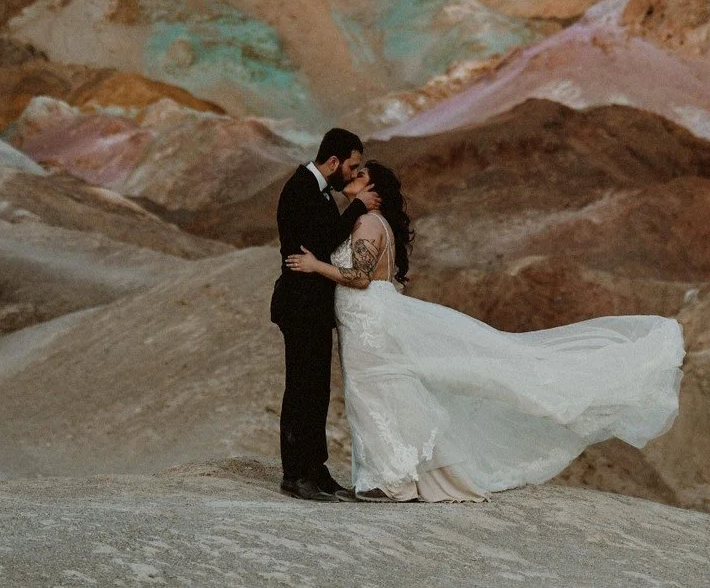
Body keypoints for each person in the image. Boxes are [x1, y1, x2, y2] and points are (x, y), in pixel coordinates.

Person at [287, 160, 684, 503]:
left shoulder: (369, 222)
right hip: (365, 319)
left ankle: (391, 480)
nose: (351, 179)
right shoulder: (368, 221)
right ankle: (391, 476)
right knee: (379, 392)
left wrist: (315, 266)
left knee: (375, 392)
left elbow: (358, 276)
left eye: (359, 177)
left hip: (368, 321)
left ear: (373, 189)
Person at [271, 126, 379, 501]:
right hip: (299, 306)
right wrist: (359, 207)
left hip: (313, 307)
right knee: (302, 389)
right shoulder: (300, 188)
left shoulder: (317, 188)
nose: (352, 173)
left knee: (317, 390)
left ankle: (315, 470)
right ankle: (295, 474)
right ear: (333, 162)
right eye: (351, 166)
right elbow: (322, 240)